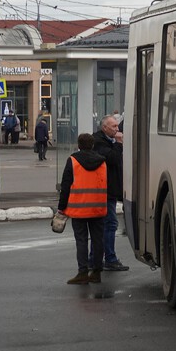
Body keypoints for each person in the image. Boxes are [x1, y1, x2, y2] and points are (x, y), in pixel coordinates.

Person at [57, 133, 108, 285]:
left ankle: (82, 272)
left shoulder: (73, 161)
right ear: (92, 145)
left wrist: (61, 208)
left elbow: (65, 185)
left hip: (79, 209)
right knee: (98, 240)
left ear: (78, 145)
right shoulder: (102, 162)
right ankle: (97, 272)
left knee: (81, 240)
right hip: (98, 208)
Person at [93, 114, 128, 271]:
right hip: (103, 191)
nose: (117, 129)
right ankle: (109, 258)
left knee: (104, 225)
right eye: (113, 126)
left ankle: (94, 259)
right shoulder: (99, 142)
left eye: (117, 125)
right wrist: (119, 143)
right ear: (104, 127)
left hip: (110, 190)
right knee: (109, 223)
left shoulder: (109, 141)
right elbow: (113, 159)